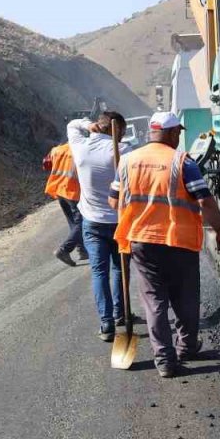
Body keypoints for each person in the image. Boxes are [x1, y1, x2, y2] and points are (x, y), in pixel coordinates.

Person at [110, 112, 220, 378]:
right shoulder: (182, 162)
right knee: (185, 297)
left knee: (154, 301)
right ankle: (186, 347)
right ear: (173, 132)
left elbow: (113, 201)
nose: (178, 137)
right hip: (178, 241)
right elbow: (205, 201)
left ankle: (164, 360)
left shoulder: (127, 160)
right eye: (178, 132)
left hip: (142, 241)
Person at [68, 110, 129, 340]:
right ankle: (120, 313)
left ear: (98, 126)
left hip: (92, 222)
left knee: (99, 271)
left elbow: (72, 125)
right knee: (119, 268)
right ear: (119, 131)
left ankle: (107, 323)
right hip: (118, 221)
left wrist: (87, 124)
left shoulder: (80, 147)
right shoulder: (122, 151)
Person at [42, 141, 87, 266]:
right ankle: (64, 250)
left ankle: (82, 250)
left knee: (74, 223)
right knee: (82, 222)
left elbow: (46, 164)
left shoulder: (56, 149)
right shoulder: (80, 150)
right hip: (72, 191)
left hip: (59, 189)